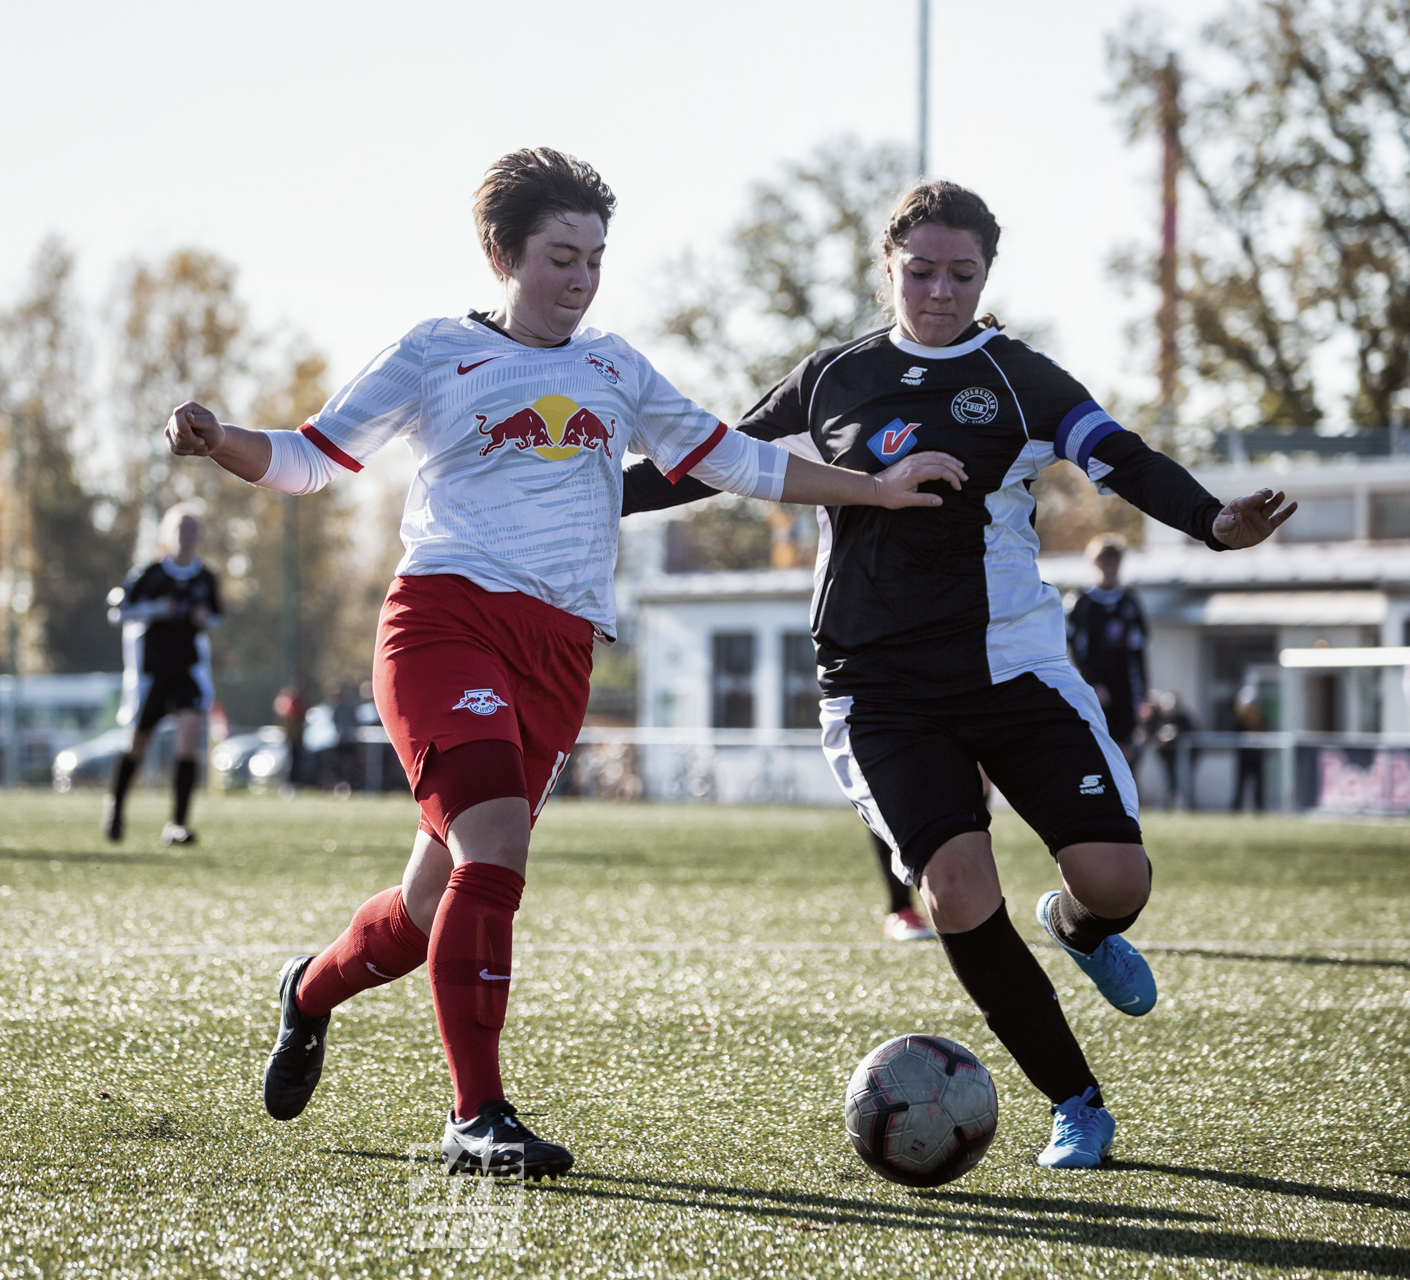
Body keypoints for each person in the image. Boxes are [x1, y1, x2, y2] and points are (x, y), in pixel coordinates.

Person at [164, 148, 967, 1179]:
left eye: (594, 259)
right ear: (503, 254)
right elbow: (310, 457)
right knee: (494, 848)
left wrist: (876, 487)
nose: (580, 280)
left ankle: (308, 990)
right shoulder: (435, 351)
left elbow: (734, 456)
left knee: (423, 911)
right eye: (559, 257)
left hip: (558, 651)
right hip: (445, 621)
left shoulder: (615, 366)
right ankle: (476, 1112)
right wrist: (218, 436)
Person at [622, 179, 1296, 1169]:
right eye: (921, 269)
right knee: (955, 884)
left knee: (1116, 878)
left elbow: (1123, 457)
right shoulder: (831, 378)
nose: (939, 290)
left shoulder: (1022, 378)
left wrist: (1214, 522)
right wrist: (583, 493)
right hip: (878, 687)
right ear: (887, 266)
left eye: (961, 273)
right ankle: (1077, 1101)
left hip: (1015, 667)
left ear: (986, 275)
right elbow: (709, 459)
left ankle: (1076, 923)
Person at [104, 506, 219, 846]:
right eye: (180, 529)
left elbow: (216, 618)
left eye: (191, 529)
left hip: (187, 671)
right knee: (137, 745)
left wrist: (203, 617)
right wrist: (156, 610)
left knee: (188, 742)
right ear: (168, 535)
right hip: (151, 674)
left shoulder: (205, 578)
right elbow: (118, 612)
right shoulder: (150, 574)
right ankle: (116, 807)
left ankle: (177, 824)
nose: (186, 535)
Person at [1067, 536, 1147, 766]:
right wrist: (1091, 684)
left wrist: (1142, 695)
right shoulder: (1081, 603)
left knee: (1125, 752)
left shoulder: (1129, 603)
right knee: (1094, 752)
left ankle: (1125, 801)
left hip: (1124, 690)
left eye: (1114, 564)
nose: (1110, 570)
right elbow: (1074, 651)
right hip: (1092, 691)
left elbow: (1138, 652)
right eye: (1104, 565)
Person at [1232, 683, 1267, 812]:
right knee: (1240, 785)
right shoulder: (1239, 719)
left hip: (1257, 756)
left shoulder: (1260, 718)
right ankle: (1236, 810)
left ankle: (1260, 810)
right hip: (1244, 756)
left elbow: (1264, 731)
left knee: (1258, 786)